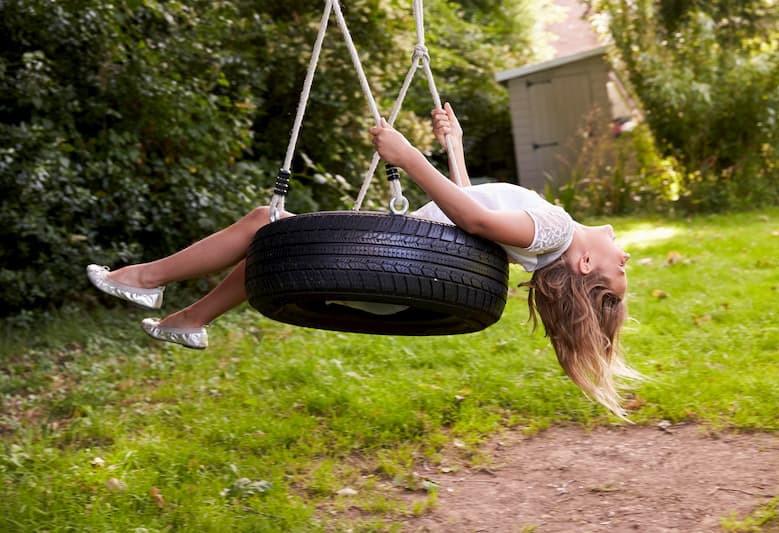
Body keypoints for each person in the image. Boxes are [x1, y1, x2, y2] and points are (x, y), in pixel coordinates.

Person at [87, 103, 638, 417]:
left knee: (264, 224)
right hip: (389, 285)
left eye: (623, 269)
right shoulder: (540, 241)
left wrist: (409, 156)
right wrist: (456, 148)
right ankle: (190, 319)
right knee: (271, 239)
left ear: (585, 266)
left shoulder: (555, 229)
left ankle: (147, 278)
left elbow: (473, 222)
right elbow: (474, 209)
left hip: (390, 269)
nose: (628, 255)